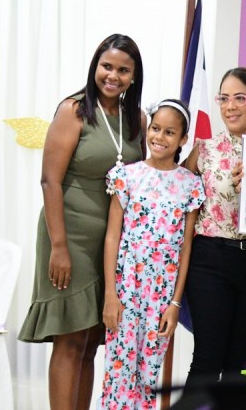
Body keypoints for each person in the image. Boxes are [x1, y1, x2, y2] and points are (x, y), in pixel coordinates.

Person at [19, 34, 145, 410]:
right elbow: (50, 180)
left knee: (91, 341)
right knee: (70, 338)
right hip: (70, 235)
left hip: (110, 243)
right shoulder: (73, 110)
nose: (113, 76)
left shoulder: (137, 119)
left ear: (134, 76)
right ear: (95, 67)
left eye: (123, 70)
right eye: (107, 66)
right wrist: (58, 247)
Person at [182, 68, 246, 389]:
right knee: (207, 360)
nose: (230, 106)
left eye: (239, 98)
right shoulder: (204, 150)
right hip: (210, 262)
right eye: (224, 98)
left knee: (242, 367)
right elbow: (178, 203)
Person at [100, 99, 205, 409]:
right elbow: (112, 237)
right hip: (126, 289)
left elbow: (186, 247)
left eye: (169, 132)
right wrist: (110, 295)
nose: (159, 137)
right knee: (118, 375)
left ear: (183, 139)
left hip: (161, 295)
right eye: (155, 129)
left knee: (148, 378)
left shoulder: (190, 185)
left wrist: (175, 304)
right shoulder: (126, 176)